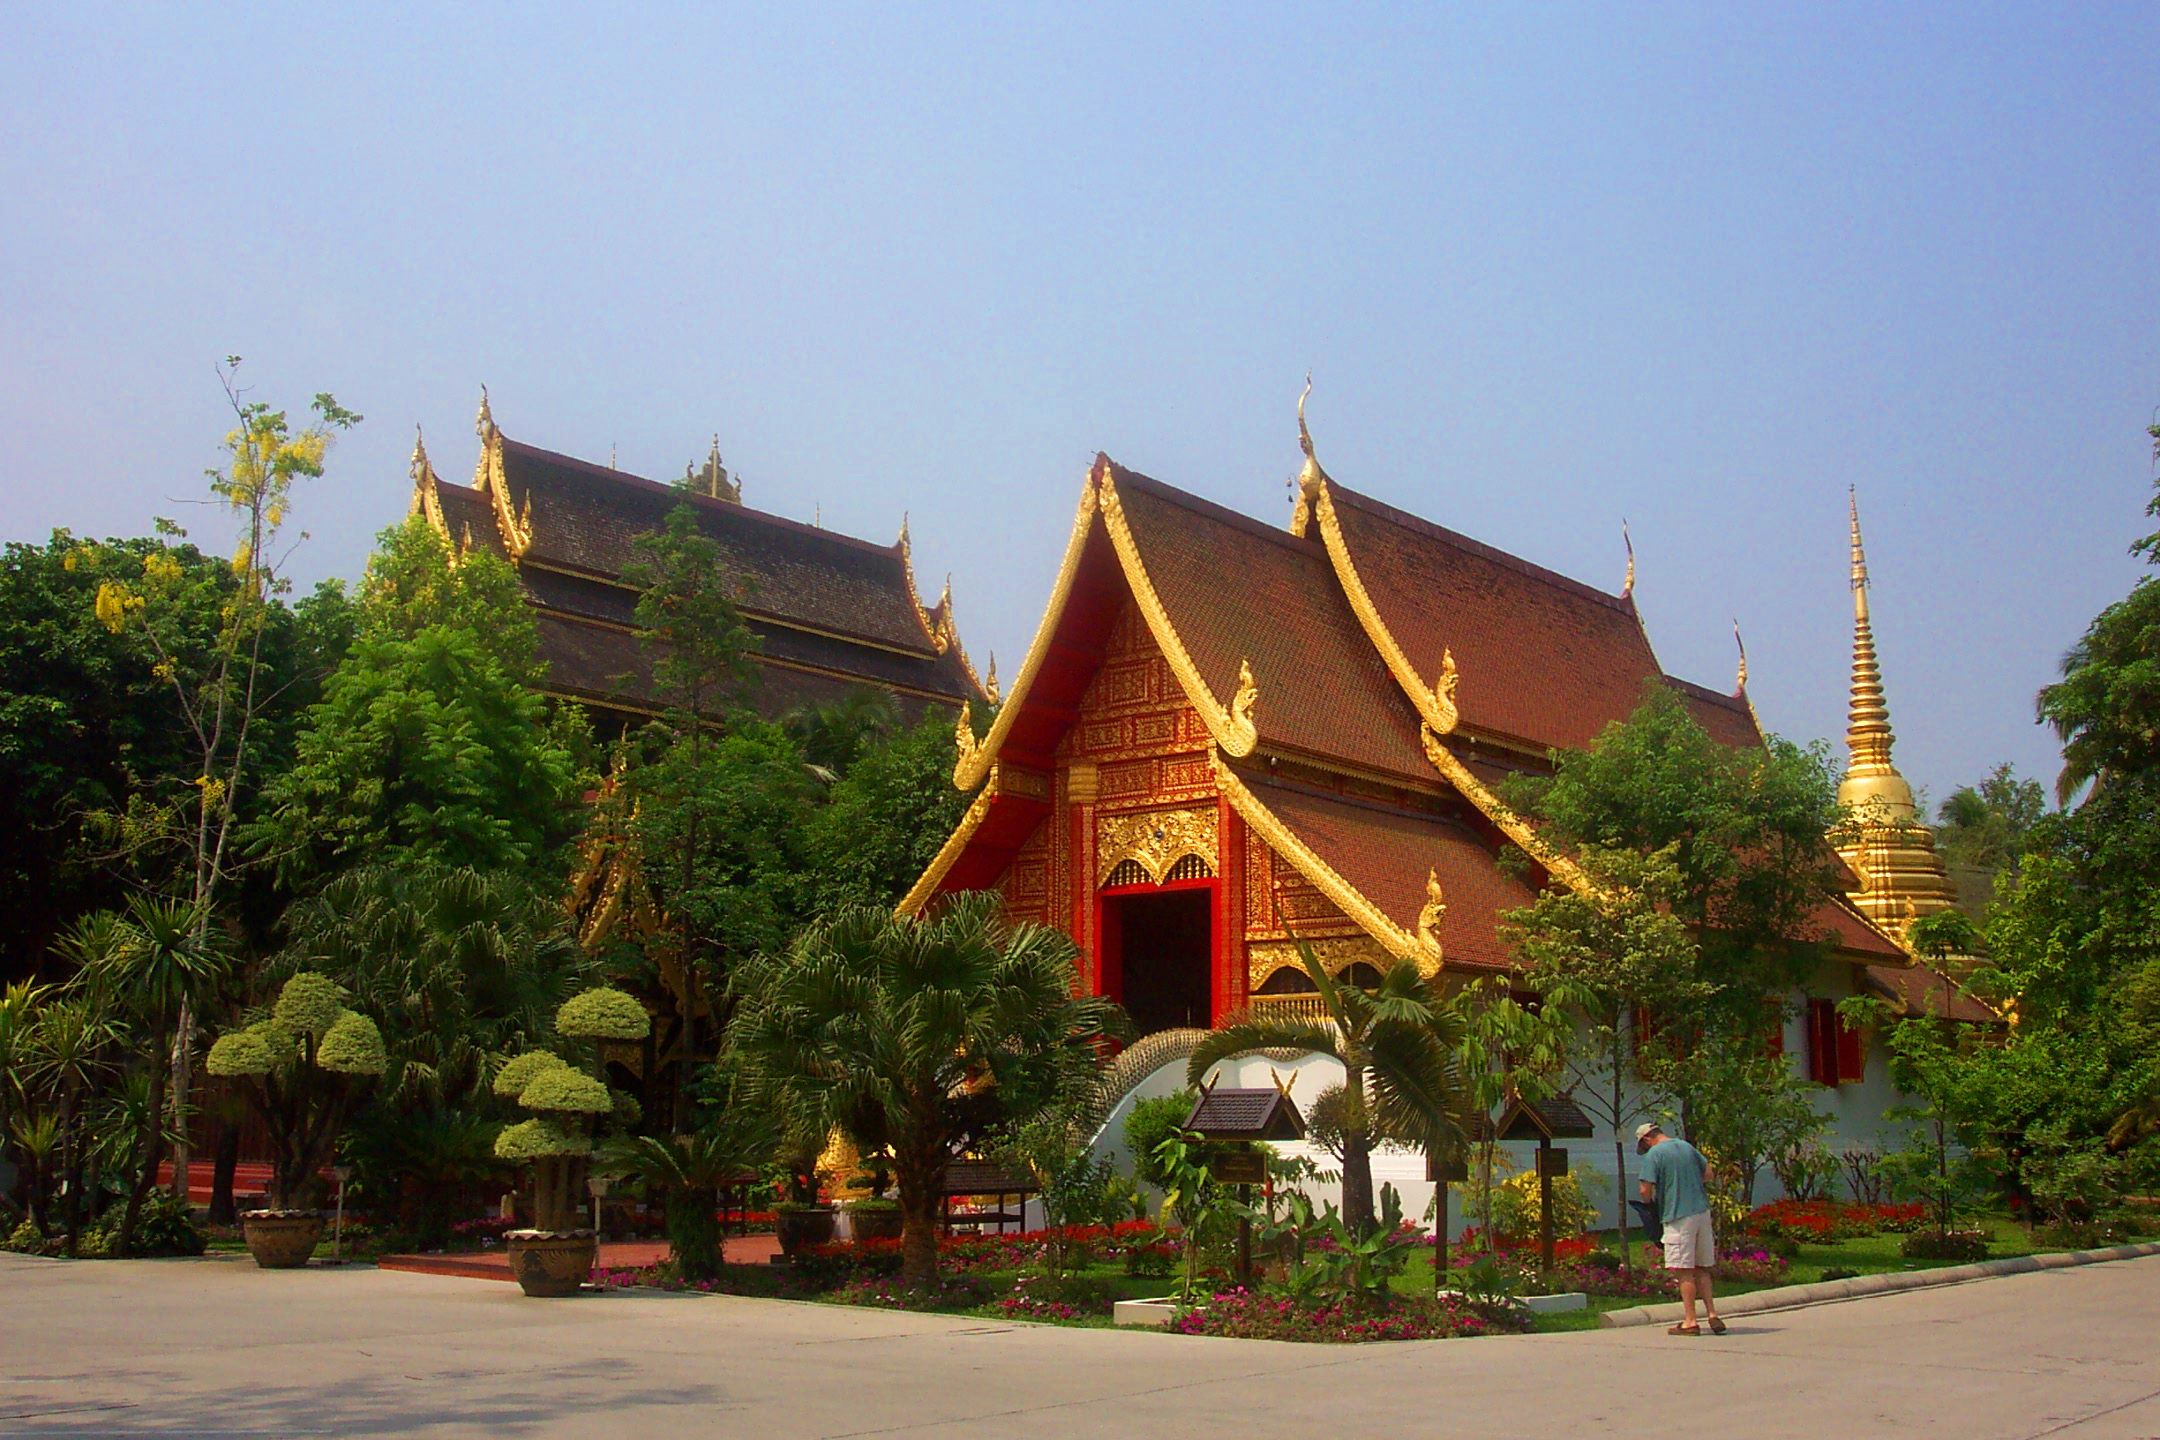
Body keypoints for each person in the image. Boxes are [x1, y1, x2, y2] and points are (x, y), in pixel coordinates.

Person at [1636, 1121, 1724, 1335]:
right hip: (1701, 1212)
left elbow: (1644, 1190)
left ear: (1647, 1138)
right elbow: (1709, 1174)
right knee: (1702, 1267)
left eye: (1644, 1145)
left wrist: (1651, 1204)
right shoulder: (1686, 1147)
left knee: (1684, 1271)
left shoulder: (1654, 1155)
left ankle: (1690, 1321)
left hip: (1678, 1215)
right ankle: (1712, 1314)